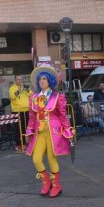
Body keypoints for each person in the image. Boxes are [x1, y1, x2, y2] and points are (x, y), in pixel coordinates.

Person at [25, 64, 73, 198]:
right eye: (40, 79)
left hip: (53, 131)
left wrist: (68, 130)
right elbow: (32, 117)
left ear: (50, 80)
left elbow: (62, 116)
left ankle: (56, 185)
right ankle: (46, 182)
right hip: (39, 132)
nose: (42, 81)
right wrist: (29, 130)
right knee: (36, 159)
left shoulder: (57, 97)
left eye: (45, 79)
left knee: (52, 158)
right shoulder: (34, 97)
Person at [9, 75, 33, 151]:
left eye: (21, 79)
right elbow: (12, 97)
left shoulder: (25, 87)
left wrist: (27, 90)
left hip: (26, 110)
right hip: (17, 111)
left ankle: (27, 143)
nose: (20, 81)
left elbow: (32, 95)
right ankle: (19, 144)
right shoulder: (12, 88)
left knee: (27, 127)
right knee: (18, 128)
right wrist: (19, 90)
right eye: (18, 79)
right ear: (15, 80)